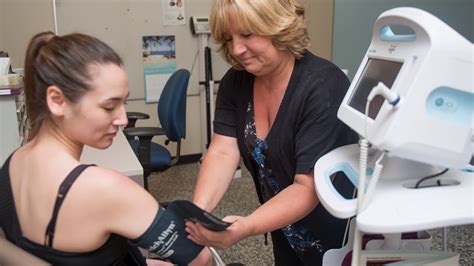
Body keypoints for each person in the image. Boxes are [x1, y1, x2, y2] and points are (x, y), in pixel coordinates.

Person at [0, 31, 214, 266]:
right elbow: (200, 260)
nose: (122, 119)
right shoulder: (106, 189)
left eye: (123, 103)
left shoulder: (13, 163)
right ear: (57, 100)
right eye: (109, 106)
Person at [186, 0, 358, 265]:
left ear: (277, 26)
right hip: (283, 224)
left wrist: (247, 226)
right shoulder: (236, 81)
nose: (236, 49)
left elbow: (307, 188)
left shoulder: (324, 88)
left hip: (334, 233)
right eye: (228, 38)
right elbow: (222, 151)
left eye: (246, 34)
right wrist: (198, 213)